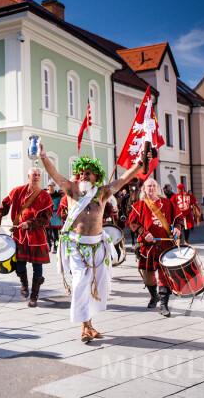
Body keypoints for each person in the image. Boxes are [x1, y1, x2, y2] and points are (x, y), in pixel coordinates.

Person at [40, 145, 152, 341]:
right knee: (81, 284)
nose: (83, 176)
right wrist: (43, 157)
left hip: (98, 246)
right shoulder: (72, 190)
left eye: (88, 173)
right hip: (77, 247)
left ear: (96, 176)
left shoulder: (103, 193)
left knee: (95, 287)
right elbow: (55, 174)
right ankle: (84, 327)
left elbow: (124, 179)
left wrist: (140, 164)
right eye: (81, 173)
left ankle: (89, 324)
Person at [0, 168, 53, 308]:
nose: (36, 177)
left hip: (36, 235)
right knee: (19, 266)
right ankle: (24, 284)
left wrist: (30, 223)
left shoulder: (45, 196)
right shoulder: (18, 191)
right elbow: (4, 206)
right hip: (19, 235)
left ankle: (34, 296)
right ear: (28, 176)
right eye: (34, 175)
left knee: (37, 267)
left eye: (38, 175)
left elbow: (46, 219)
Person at [128, 178, 182, 318]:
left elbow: (178, 219)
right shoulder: (139, 206)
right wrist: (144, 233)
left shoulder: (168, 203)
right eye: (148, 186)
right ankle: (154, 296)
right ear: (144, 189)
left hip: (165, 245)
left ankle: (164, 304)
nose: (151, 188)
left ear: (157, 188)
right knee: (148, 276)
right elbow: (133, 223)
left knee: (164, 275)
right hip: (147, 248)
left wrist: (177, 228)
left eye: (153, 186)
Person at [46, 183, 63, 253]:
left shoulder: (58, 196)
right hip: (47, 215)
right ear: (48, 187)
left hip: (55, 215)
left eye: (52, 186)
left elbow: (61, 204)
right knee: (47, 233)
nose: (51, 187)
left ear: (54, 187)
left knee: (56, 233)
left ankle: (55, 247)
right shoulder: (45, 195)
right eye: (50, 186)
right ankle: (49, 245)